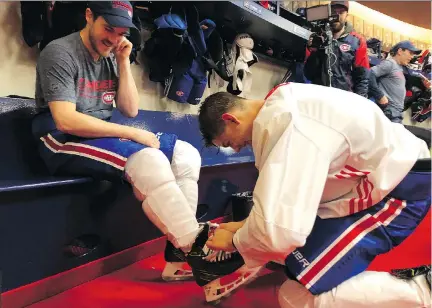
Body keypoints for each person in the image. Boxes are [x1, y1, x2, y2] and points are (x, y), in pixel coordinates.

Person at [31, 1, 258, 302]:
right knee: (149, 160)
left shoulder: (112, 54)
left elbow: (129, 108)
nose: (113, 38)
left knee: (186, 154)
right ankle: (200, 253)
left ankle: (178, 260)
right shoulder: (60, 52)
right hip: (59, 137)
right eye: (107, 28)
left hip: (99, 132)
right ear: (89, 16)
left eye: (121, 31)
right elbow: (65, 119)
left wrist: (124, 62)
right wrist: (130, 132)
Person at [198, 82, 431, 307]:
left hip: (398, 187)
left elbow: (281, 233)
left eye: (230, 141)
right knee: (291, 261)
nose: (237, 148)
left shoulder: (290, 121)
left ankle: (423, 289)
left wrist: (236, 242)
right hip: (382, 178)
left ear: (230, 119)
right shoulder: (286, 102)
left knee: (295, 297)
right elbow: (303, 193)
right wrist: (247, 225)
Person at [304, 1, 370, 97]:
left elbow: (362, 77)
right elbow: (308, 74)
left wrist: (359, 103)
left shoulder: (357, 41)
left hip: (343, 98)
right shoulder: (317, 38)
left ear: (347, 15)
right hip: (319, 96)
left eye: (341, 12)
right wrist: (315, 51)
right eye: (334, 12)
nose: (337, 16)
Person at [369, 40, 422, 123]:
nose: (412, 57)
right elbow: (369, 74)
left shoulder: (400, 68)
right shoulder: (390, 64)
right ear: (400, 51)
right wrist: (380, 96)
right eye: (410, 53)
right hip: (389, 111)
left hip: (395, 112)